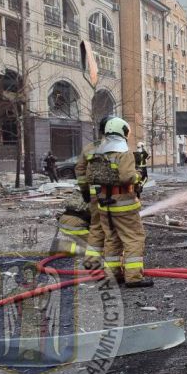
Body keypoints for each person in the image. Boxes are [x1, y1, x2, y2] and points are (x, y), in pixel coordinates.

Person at [88, 117, 152, 288]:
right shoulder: (123, 154)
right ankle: (133, 277)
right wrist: (138, 175)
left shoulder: (98, 153)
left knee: (112, 239)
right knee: (134, 238)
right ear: (122, 132)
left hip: (104, 204)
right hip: (124, 204)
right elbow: (127, 177)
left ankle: (112, 274)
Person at [75, 115, 115, 271]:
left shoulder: (90, 148)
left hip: (94, 195)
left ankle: (91, 262)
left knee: (96, 227)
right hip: (114, 196)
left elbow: (79, 170)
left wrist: (84, 190)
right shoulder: (118, 148)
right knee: (114, 229)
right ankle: (114, 266)